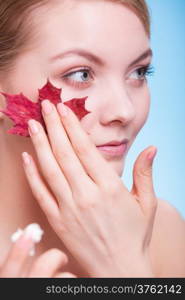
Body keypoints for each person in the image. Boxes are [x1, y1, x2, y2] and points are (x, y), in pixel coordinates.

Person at [0, 0, 184, 278]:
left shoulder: (162, 233)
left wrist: (126, 271)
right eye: (81, 74)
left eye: (139, 72)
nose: (125, 110)